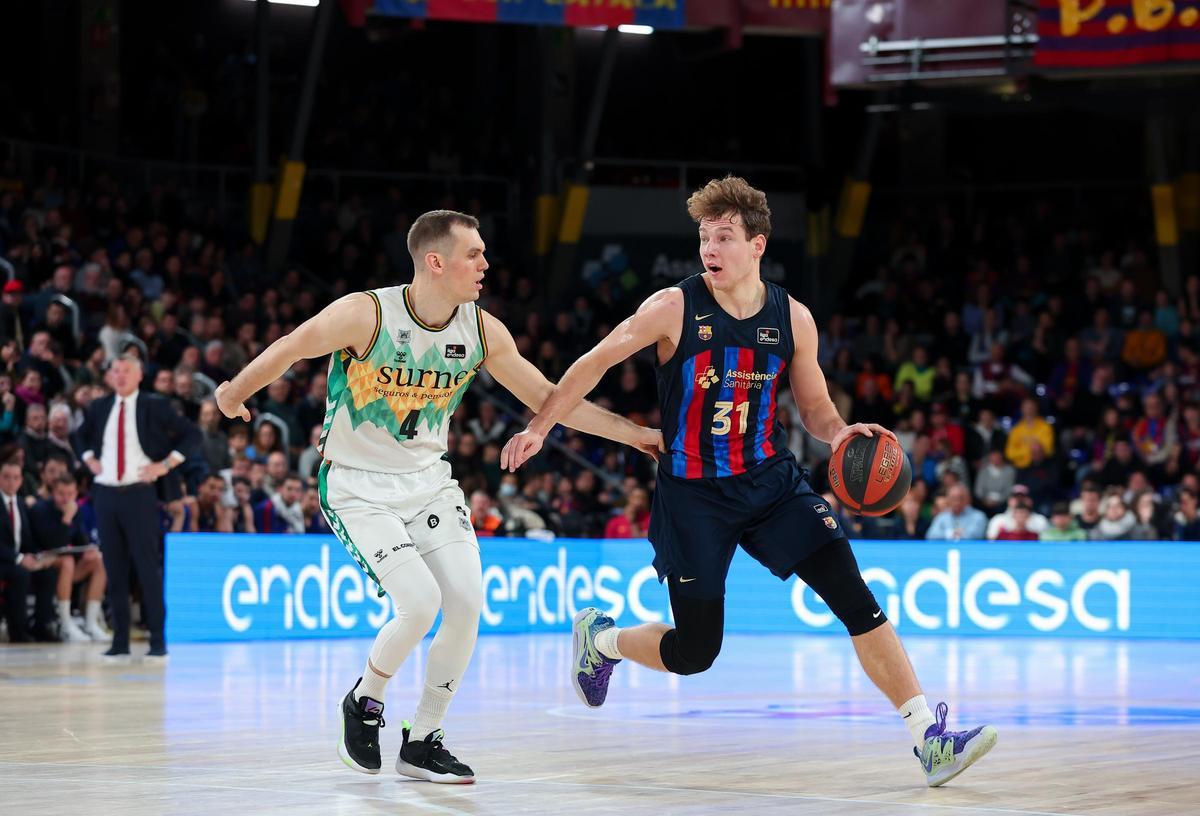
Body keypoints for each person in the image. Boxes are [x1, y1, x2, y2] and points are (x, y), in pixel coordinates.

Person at [500, 178, 995, 787]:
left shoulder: (793, 318)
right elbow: (596, 360)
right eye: (705, 236)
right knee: (694, 653)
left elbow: (814, 407)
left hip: (770, 484)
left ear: (757, 244)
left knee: (854, 596)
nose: (711, 247)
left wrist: (837, 433)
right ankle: (601, 640)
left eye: (724, 236)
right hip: (693, 496)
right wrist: (542, 425)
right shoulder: (673, 307)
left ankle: (929, 738)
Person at [215, 209, 660, 783]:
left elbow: (552, 398)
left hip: (428, 481)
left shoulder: (481, 330)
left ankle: (423, 739)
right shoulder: (366, 313)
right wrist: (232, 392)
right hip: (355, 484)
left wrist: (637, 434)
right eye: (473, 254)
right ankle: (365, 700)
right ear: (435, 261)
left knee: (467, 604)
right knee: (419, 604)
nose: (485, 264)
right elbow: (290, 346)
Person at [79, 354, 201, 662]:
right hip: (105, 494)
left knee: (147, 568)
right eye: (115, 371)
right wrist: (88, 457)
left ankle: (158, 642)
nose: (119, 376)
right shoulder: (99, 407)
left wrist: (165, 465)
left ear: (139, 375)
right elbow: (78, 436)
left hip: (139, 494)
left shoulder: (155, 405)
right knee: (114, 570)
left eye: (126, 371)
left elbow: (192, 434)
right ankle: (119, 642)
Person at [29, 474, 109, 641]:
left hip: (66, 570)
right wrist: (66, 519)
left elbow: (81, 540)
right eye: (61, 493)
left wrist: (89, 550)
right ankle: (66, 624)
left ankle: (91, 622)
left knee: (97, 560)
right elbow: (52, 544)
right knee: (67, 561)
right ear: (53, 493)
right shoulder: (40, 510)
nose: (66, 498)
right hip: (41, 566)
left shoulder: (75, 510)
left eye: (70, 494)